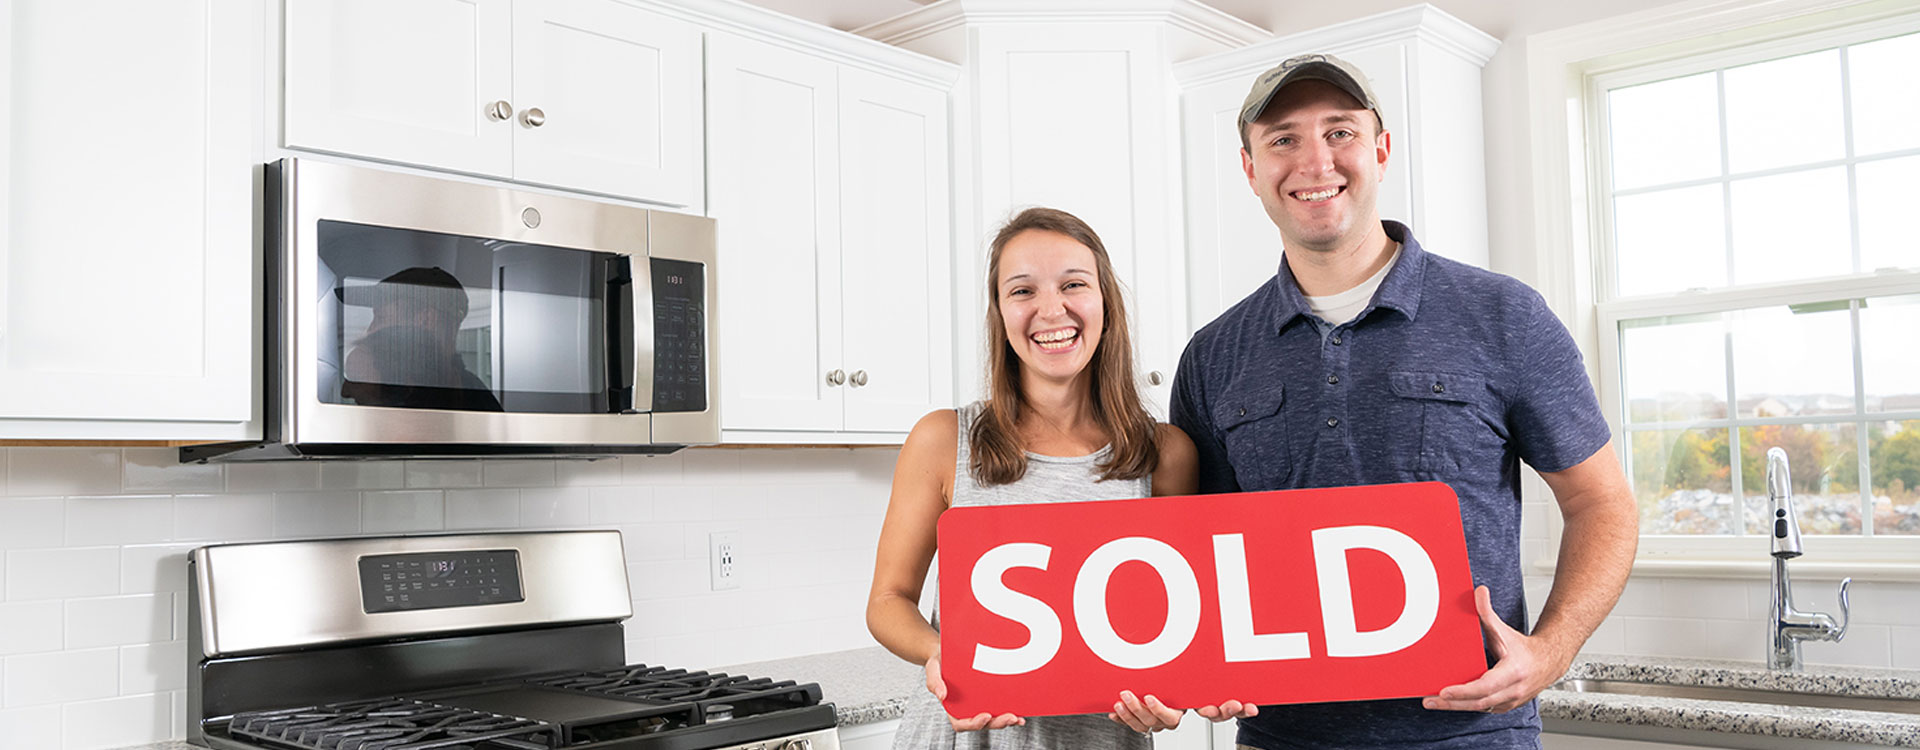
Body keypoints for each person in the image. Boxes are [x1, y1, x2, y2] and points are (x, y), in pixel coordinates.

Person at [1164, 54, 1638, 749]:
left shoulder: (1504, 316)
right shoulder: (1213, 355)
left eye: (1339, 132)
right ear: (1250, 169)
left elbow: (1602, 503)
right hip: (1283, 738)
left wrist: (1553, 650)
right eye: (1283, 139)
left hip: (1471, 734)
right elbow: (1201, 554)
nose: (1314, 161)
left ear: (1381, 150)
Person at [867, 207, 1247, 749]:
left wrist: (1173, 694)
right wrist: (941, 654)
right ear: (999, 314)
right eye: (1022, 291)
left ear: (1105, 305)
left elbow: (1176, 624)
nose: (1051, 309)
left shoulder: (1164, 455)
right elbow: (888, 599)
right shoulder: (944, 440)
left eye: (1074, 284)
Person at [341, 266, 502, 412]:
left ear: (425, 321)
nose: (371, 329)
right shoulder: (474, 395)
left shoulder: (479, 405)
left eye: (381, 318)